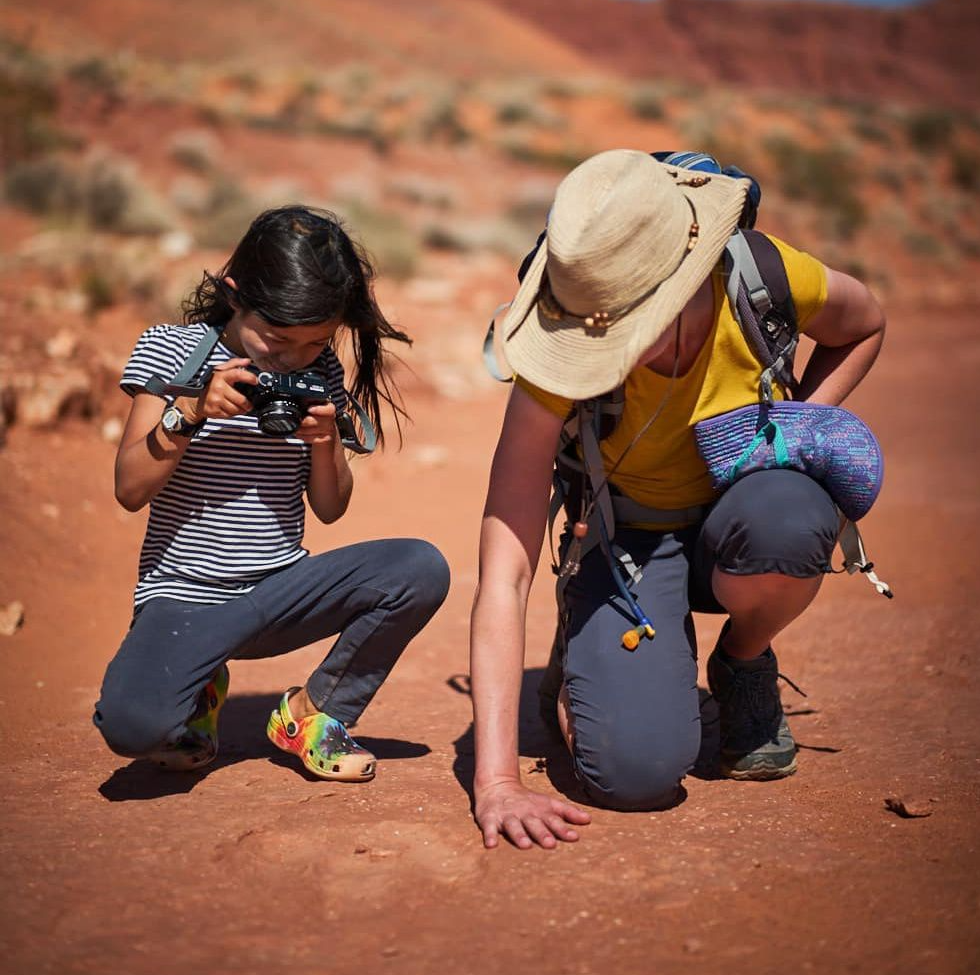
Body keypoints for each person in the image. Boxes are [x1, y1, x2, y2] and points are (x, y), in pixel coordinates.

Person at [470, 149, 885, 848]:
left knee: (792, 517)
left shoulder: (761, 276)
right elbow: (502, 573)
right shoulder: (563, 334)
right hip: (623, 536)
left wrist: (793, 428)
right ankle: (585, 651)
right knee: (636, 773)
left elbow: (865, 324)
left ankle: (742, 661)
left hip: (742, 515)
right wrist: (498, 783)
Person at [95, 205, 450, 780]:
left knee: (419, 568)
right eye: (278, 339)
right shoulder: (171, 349)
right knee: (132, 728)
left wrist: (326, 440)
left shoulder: (319, 370)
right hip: (185, 598)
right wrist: (189, 413)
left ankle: (313, 713)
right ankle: (201, 689)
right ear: (235, 295)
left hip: (278, 591)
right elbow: (129, 489)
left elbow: (331, 510)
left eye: (316, 343)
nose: (292, 357)